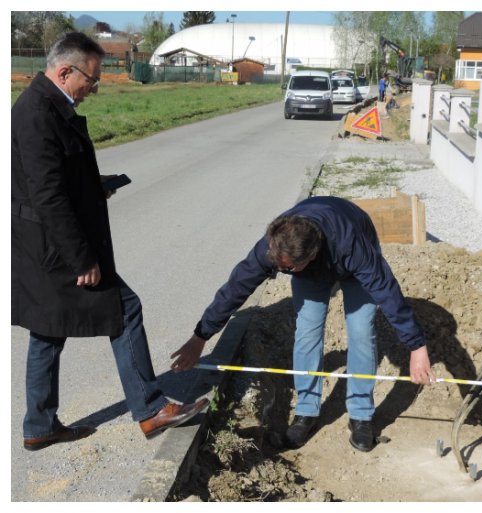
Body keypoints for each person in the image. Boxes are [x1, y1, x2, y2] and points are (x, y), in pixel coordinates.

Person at [11, 32, 208, 451]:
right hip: (56, 249)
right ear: (65, 71)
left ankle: (39, 424)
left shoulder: (44, 104)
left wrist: (92, 185)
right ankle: (151, 408)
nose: (95, 89)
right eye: (92, 79)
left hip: (44, 245)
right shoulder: (35, 113)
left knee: (48, 330)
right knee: (124, 308)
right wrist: (82, 258)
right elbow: (46, 195)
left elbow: (54, 179)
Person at [170, 196, 436, 453]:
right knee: (308, 331)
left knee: (361, 331)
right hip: (311, 265)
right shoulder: (273, 248)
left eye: (288, 269)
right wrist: (200, 336)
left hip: (351, 249)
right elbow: (236, 288)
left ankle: (361, 416)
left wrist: (417, 346)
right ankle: (306, 412)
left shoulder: (352, 246)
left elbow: (387, 291)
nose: (282, 272)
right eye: (279, 267)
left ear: (310, 255)